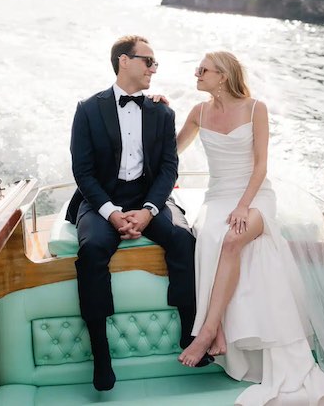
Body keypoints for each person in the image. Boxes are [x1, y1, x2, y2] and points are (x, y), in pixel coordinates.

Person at [174, 51, 324, 405]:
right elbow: (172, 151)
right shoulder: (198, 112)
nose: (197, 73)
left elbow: (260, 166)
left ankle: (208, 330)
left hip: (255, 197)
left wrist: (244, 205)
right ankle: (220, 331)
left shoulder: (256, 109)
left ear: (223, 76)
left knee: (232, 238)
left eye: (204, 69)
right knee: (208, 235)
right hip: (217, 195)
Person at [66, 35, 209, 391]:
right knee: (93, 250)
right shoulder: (87, 109)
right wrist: (113, 214)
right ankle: (101, 353)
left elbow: (168, 169)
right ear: (124, 61)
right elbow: (82, 172)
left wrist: (148, 210)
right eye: (149, 61)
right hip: (100, 200)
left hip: (150, 198)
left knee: (182, 238)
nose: (154, 69)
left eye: (155, 63)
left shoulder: (162, 111)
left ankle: (189, 331)